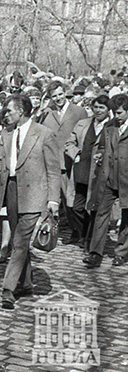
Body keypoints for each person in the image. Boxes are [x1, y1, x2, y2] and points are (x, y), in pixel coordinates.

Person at [0, 95, 60, 309]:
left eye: (10, 112)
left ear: (21, 111)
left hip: (34, 195)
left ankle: (9, 289)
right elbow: (1, 161)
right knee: (17, 241)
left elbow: (53, 169)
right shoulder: (7, 133)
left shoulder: (44, 134)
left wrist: (53, 199)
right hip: (11, 190)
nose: (6, 115)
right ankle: (27, 283)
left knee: (20, 241)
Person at [42, 80, 89, 244]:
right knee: (63, 198)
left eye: (61, 94)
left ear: (65, 93)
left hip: (75, 161)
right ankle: (75, 231)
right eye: (54, 96)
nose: (58, 98)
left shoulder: (79, 111)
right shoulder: (49, 114)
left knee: (75, 199)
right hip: (57, 162)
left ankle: (84, 231)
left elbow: (87, 134)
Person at [67, 94, 110, 266]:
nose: (98, 111)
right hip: (81, 170)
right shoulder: (83, 124)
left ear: (108, 110)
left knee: (94, 209)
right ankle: (84, 232)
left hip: (98, 174)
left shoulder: (110, 127)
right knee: (76, 206)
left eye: (102, 108)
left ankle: (89, 241)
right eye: (96, 107)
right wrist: (75, 153)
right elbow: (69, 142)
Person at [86, 94, 128, 267]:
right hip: (109, 179)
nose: (116, 116)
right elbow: (103, 146)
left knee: (126, 217)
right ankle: (95, 253)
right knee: (101, 214)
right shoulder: (109, 127)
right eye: (114, 112)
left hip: (126, 180)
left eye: (119, 113)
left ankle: (121, 252)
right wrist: (100, 155)